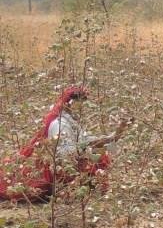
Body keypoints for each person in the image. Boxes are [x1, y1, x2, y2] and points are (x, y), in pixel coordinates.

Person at [0, 86, 128, 203]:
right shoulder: (59, 124)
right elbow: (64, 153)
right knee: (96, 157)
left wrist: (113, 136)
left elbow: (85, 139)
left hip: (70, 160)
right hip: (61, 166)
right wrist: (86, 149)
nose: (83, 107)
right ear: (70, 104)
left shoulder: (71, 120)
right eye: (80, 103)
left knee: (101, 153)